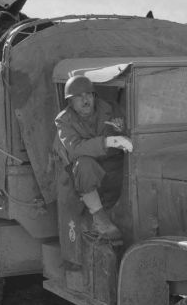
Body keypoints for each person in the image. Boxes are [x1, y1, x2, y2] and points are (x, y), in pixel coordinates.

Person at [54, 75, 133, 240]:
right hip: (89, 177)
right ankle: (100, 218)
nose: (85, 100)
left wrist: (122, 130)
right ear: (70, 102)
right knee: (83, 163)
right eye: (78, 97)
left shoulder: (111, 109)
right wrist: (107, 141)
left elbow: (130, 133)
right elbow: (75, 149)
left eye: (88, 95)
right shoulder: (64, 121)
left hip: (118, 170)